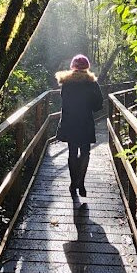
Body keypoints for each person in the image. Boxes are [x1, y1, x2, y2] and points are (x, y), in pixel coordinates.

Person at [55, 55, 103, 197]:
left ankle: (73, 183)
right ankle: (81, 182)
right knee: (85, 153)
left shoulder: (66, 83)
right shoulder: (92, 82)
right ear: (87, 67)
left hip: (70, 122)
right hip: (85, 122)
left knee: (72, 153)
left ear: (73, 67)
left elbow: (64, 102)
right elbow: (98, 104)